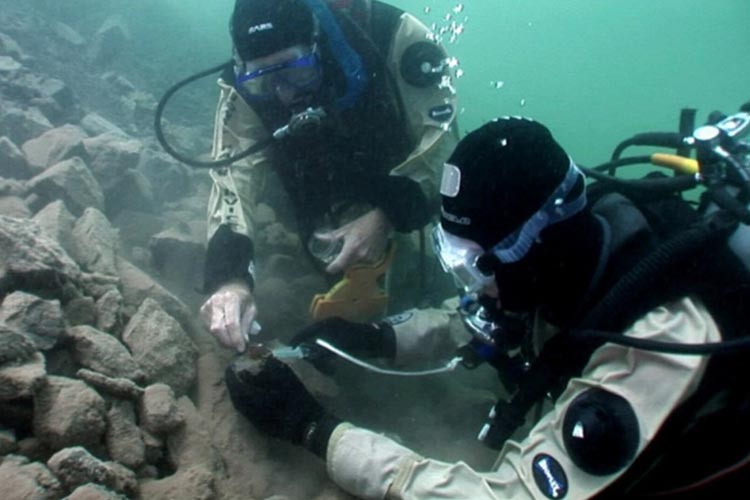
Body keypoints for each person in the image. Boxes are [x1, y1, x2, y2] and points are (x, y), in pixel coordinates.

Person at [224, 116, 750, 498]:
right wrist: (372, 338)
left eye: (475, 263)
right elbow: (480, 320)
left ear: (535, 246)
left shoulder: (663, 338)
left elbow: (511, 496)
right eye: (453, 256)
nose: (469, 282)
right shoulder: (566, 261)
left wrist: (315, 429)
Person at [200, 0, 458, 352]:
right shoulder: (238, 86)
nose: (286, 93)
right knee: (329, 264)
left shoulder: (399, 37)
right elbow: (232, 175)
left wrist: (387, 214)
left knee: (420, 279)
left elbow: (442, 142)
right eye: (264, 79)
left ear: (317, 43)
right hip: (314, 170)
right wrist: (230, 278)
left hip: (393, 164)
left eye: (297, 70)